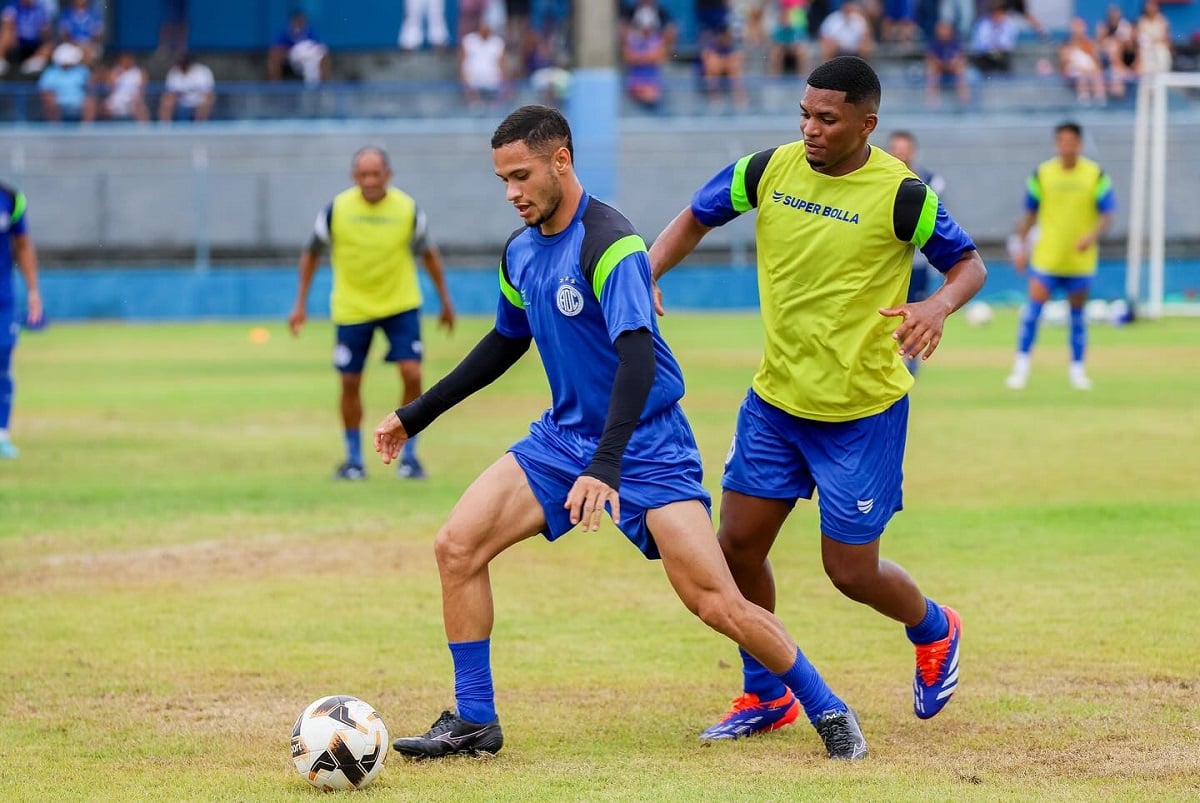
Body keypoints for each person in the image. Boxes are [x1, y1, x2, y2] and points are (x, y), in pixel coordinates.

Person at [375, 104, 868, 762]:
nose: (512, 193)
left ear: (562, 161)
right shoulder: (520, 250)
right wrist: (414, 415)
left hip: (648, 446)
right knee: (456, 546)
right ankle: (473, 718)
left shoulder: (611, 243)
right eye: (502, 181)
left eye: (521, 176)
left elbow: (637, 357)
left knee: (716, 600)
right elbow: (503, 342)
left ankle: (828, 707)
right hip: (561, 441)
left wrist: (606, 467)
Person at [648, 57, 986, 738]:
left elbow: (969, 263)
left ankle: (934, 626)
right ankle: (764, 692)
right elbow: (694, 215)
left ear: (867, 123)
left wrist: (940, 304)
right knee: (736, 547)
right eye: (804, 113)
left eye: (826, 119)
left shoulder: (902, 193)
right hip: (776, 402)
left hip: (861, 413)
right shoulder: (767, 168)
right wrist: (644, 274)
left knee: (850, 572)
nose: (809, 128)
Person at [289, 146, 455, 481]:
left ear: (387, 176)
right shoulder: (336, 210)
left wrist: (445, 302)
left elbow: (429, 254)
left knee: (412, 375)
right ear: (355, 177)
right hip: (353, 308)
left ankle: (410, 457)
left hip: (400, 304)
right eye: (363, 175)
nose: (369, 181)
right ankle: (353, 460)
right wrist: (300, 304)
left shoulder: (407, 209)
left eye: (375, 174)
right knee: (350, 381)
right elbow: (310, 253)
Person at [1005, 122, 1115, 392]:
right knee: (1032, 314)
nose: (1066, 146)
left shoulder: (1096, 175)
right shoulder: (1042, 174)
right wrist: (1020, 246)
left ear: (1079, 144)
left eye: (1071, 141)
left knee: (1077, 316)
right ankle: (1020, 369)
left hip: (1080, 261)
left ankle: (1077, 370)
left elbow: (1107, 214)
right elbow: (1029, 214)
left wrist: (1090, 237)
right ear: (1057, 144)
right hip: (1047, 258)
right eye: (1062, 141)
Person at [885, 130, 947, 377]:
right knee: (888, 311)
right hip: (887, 262)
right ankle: (888, 357)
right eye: (896, 148)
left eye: (905, 148)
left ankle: (910, 360)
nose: (901, 153)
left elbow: (939, 220)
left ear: (913, 151)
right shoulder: (881, 179)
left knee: (916, 311)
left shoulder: (931, 181)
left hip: (918, 262)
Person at [0, 181, 42, 459]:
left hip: (3, 297)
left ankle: (1, 434)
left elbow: (23, 245)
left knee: (3, 355)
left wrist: (33, 290)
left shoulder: (11, 199)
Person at [268, 10, 330, 86]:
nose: (299, 23)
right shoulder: (286, 33)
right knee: (275, 55)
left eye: (301, 21)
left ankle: (324, 87)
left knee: (322, 56)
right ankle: (275, 86)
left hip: (309, 60)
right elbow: (277, 49)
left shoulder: (310, 33)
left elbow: (317, 48)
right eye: (297, 21)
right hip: (291, 60)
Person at [84, 52, 149, 123]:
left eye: (129, 59)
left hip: (132, 101)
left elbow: (142, 89)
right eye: (124, 59)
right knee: (91, 103)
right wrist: (116, 76)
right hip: (114, 101)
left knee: (140, 105)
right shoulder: (115, 71)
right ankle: (86, 128)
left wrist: (135, 98)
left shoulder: (139, 72)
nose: (126, 61)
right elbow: (108, 88)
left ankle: (144, 130)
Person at [37, 41, 89, 122]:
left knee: (90, 103)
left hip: (79, 103)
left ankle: (86, 130)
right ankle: (55, 130)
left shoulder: (82, 71)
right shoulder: (50, 73)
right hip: (57, 104)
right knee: (50, 103)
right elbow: (45, 90)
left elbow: (90, 87)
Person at [157, 52, 215, 123]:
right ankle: (165, 127)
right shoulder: (174, 71)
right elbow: (170, 93)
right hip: (180, 101)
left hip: (199, 100)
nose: (182, 65)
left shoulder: (202, 71)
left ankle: (199, 127)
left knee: (208, 100)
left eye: (184, 63)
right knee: (166, 101)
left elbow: (208, 93)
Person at [924, 19, 970, 106]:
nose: (943, 31)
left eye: (945, 29)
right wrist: (941, 63)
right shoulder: (934, 43)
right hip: (939, 67)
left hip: (953, 67)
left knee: (960, 68)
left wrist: (953, 63)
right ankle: (932, 101)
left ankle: (965, 100)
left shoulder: (955, 42)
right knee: (931, 68)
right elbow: (930, 57)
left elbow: (960, 56)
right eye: (941, 29)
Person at [0, 0, 52, 76]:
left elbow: (45, 29)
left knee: (48, 45)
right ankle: (1, 61)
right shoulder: (12, 7)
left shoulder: (40, 9)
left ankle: (32, 64)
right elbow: (7, 24)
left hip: (34, 42)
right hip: (17, 42)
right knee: (6, 35)